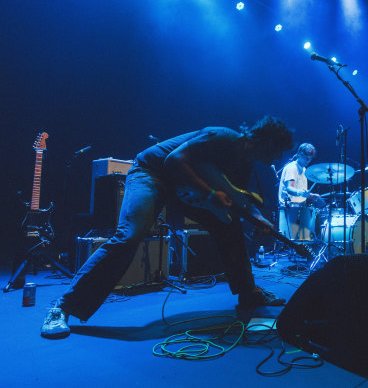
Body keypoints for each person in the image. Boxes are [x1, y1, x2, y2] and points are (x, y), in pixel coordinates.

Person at [41, 115, 294, 339]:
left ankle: (248, 292)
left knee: (228, 228)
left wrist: (257, 217)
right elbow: (174, 160)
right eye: (278, 150)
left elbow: (236, 198)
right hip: (150, 173)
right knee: (130, 235)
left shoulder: (244, 161)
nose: (278, 157)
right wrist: (210, 193)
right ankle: (62, 306)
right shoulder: (225, 137)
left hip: (182, 189)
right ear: (267, 142)